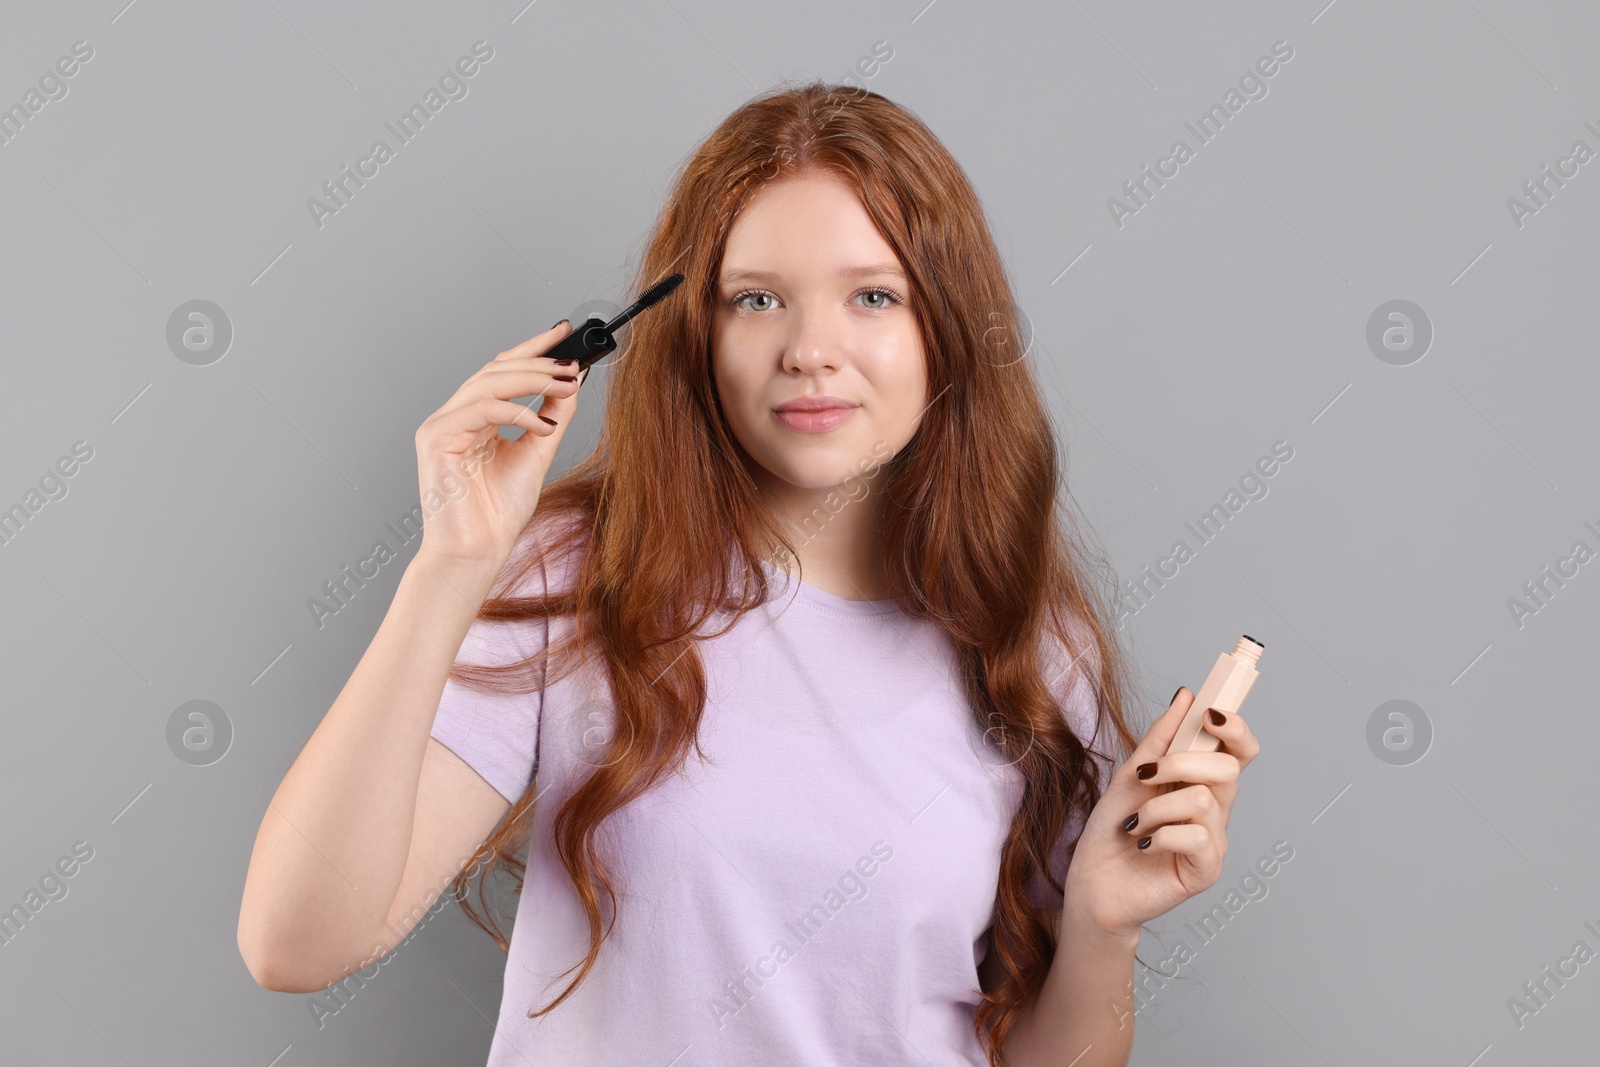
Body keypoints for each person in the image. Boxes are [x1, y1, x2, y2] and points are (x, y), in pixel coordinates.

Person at [237, 81, 1260, 1067]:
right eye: (758, 298)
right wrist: (449, 566)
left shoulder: (1028, 639)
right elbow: (296, 944)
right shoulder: (576, 572)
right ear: (697, 332)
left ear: (945, 327)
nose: (811, 349)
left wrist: (1100, 924)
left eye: (873, 295)